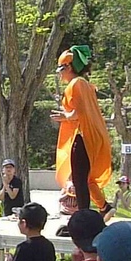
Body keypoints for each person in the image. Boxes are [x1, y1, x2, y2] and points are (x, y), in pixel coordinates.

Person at [52, 45, 114, 218]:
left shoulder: (76, 83)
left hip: (84, 136)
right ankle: (105, 208)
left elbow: (79, 112)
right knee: (86, 179)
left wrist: (66, 115)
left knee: (79, 179)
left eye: (61, 69)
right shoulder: (86, 84)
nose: (60, 74)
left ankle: (83, 217)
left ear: (69, 67)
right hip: (93, 136)